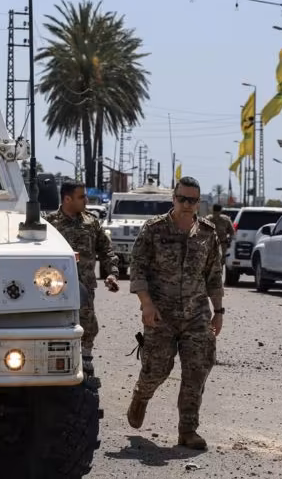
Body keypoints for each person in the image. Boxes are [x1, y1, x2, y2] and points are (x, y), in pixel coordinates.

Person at [124, 176, 224, 450]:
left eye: (193, 200)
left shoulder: (207, 233)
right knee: (157, 369)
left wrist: (219, 311)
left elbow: (214, 275)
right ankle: (141, 395)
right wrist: (146, 303)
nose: (187, 204)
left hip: (196, 314)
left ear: (198, 202)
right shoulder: (154, 229)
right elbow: (138, 268)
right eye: (182, 199)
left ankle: (188, 430)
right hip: (161, 314)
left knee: (197, 370)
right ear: (174, 199)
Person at [44, 181, 120, 376]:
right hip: (55, 288)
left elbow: (106, 249)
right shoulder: (49, 223)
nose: (86, 200)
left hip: (84, 285)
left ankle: (85, 358)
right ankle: (53, 360)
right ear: (67, 199)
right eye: (81, 197)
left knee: (88, 323)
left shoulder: (91, 222)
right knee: (55, 323)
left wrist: (112, 273)